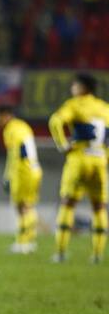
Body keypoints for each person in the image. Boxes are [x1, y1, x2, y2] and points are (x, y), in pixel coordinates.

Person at [49, 73, 109, 264]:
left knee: (68, 202)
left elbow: (55, 121)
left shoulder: (75, 104)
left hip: (80, 158)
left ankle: (60, 252)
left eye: (75, 85)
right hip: (100, 159)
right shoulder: (104, 108)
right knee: (99, 206)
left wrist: (62, 145)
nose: (72, 88)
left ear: (83, 87)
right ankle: (98, 254)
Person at [0, 105, 42, 254]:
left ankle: (22, 243)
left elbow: (16, 154)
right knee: (29, 206)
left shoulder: (12, 129)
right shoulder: (23, 126)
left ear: (6, 115)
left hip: (23, 171)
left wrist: (8, 176)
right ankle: (30, 241)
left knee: (22, 207)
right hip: (34, 169)